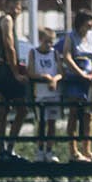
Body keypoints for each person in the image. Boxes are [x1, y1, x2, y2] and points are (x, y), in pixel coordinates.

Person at [59, 9, 92, 162]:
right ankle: (73, 151)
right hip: (76, 77)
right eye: (89, 20)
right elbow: (66, 56)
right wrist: (80, 74)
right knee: (73, 114)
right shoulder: (70, 36)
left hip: (91, 77)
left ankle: (87, 150)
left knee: (88, 116)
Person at [0, 0, 29, 162]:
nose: (15, 10)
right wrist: (15, 73)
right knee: (18, 109)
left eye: (18, 7)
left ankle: (4, 150)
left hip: (4, 67)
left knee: (6, 110)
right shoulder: (7, 20)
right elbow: (9, 45)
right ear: (6, 6)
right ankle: (6, 149)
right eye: (12, 6)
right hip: (7, 68)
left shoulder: (4, 20)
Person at [28, 25, 63, 163]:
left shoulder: (54, 54)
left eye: (51, 42)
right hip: (40, 94)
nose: (49, 45)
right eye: (47, 41)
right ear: (41, 40)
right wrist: (45, 77)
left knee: (52, 123)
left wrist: (55, 79)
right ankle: (40, 150)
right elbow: (30, 72)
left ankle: (49, 150)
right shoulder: (33, 53)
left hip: (53, 94)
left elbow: (61, 72)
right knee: (41, 123)